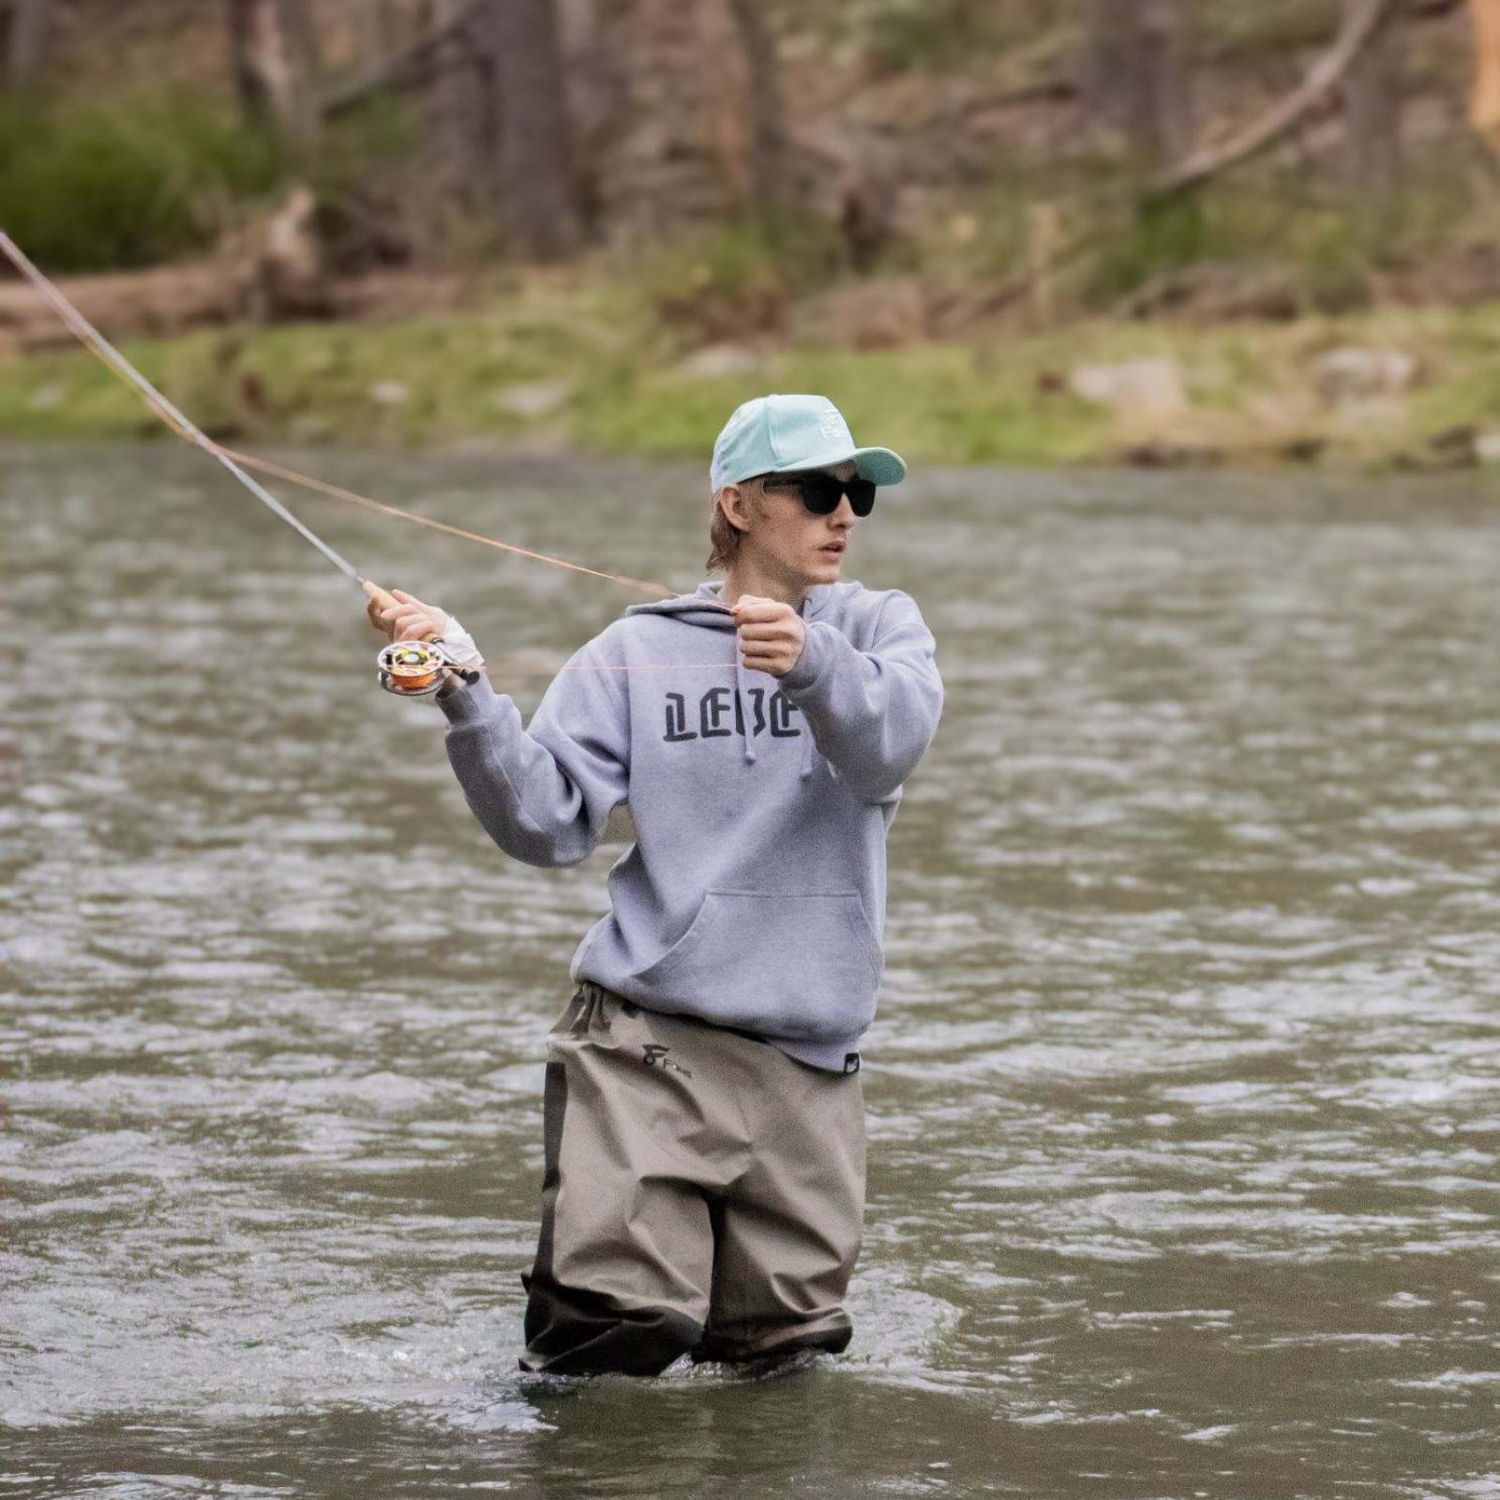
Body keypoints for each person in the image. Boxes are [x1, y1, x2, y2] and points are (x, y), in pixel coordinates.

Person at [367, 393, 944, 1376]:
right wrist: (466, 693)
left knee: (784, 1367)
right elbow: (545, 826)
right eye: (817, 491)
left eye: (859, 494)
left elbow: (888, 749)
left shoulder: (881, 629)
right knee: (605, 1342)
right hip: (645, 1051)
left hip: (810, 1069)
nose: (845, 513)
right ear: (738, 504)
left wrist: (812, 664)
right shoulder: (632, 651)